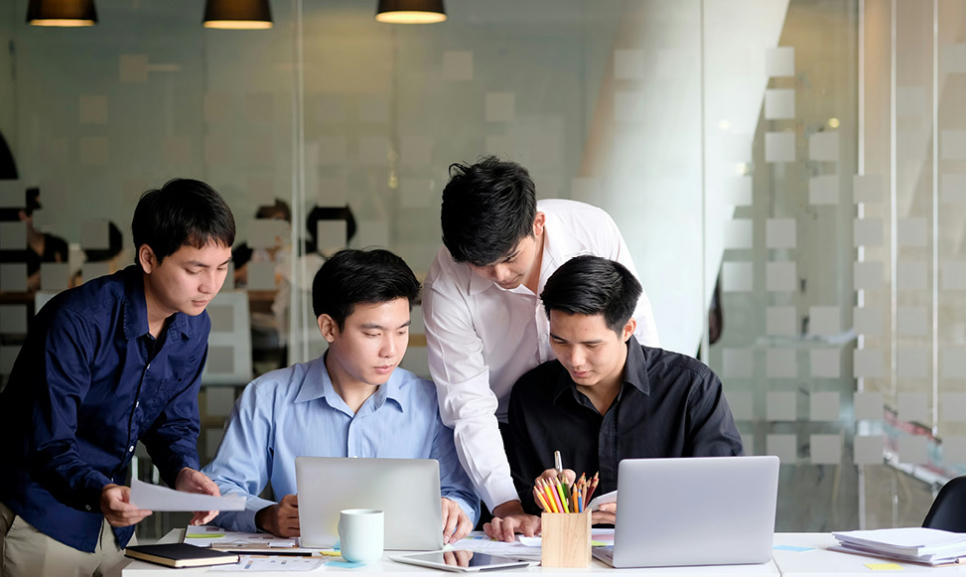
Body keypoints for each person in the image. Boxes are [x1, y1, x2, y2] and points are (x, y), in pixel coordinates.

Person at [0, 178, 236, 577]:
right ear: (148, 258)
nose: (210, 285)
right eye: (195, 269)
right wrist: (101, 491)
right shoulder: (77, 321)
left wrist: (183, 471)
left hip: (114, 524)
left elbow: (172, 423)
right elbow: (49, 446)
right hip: (41, 514)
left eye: (221, 268)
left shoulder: (193, 326)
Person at [421, 157, 660, 539]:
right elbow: (467, 407)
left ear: (537, 224)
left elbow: (637, 329)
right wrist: (507, 503)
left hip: (602, 413)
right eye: (481, 265)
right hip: (510, 434)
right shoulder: (446, 285)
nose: (500, 276)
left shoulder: (591, 229)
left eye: (510, 258)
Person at [203, 249, 480, 544]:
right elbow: (219, 489)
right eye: (374, 334)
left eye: (401, 332)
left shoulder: (432, 403)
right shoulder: (268, 398)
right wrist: (266, 516)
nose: (391, 350)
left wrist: (455, 510)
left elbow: (461, 495)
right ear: (329, 328)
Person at [506, 256, 743, 531]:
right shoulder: (530, 395)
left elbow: (726, 493)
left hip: (668, 553)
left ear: (628, 329)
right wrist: (542, 500)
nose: (575, 360)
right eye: (559, 341)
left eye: (592, 344)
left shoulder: (691, 388)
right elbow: (519, 506)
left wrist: (655, 511)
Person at [0, 187, 69, 291]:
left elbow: (68, 285)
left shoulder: (59, 245)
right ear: (23, 216)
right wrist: (24, 284)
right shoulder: (9, 250)